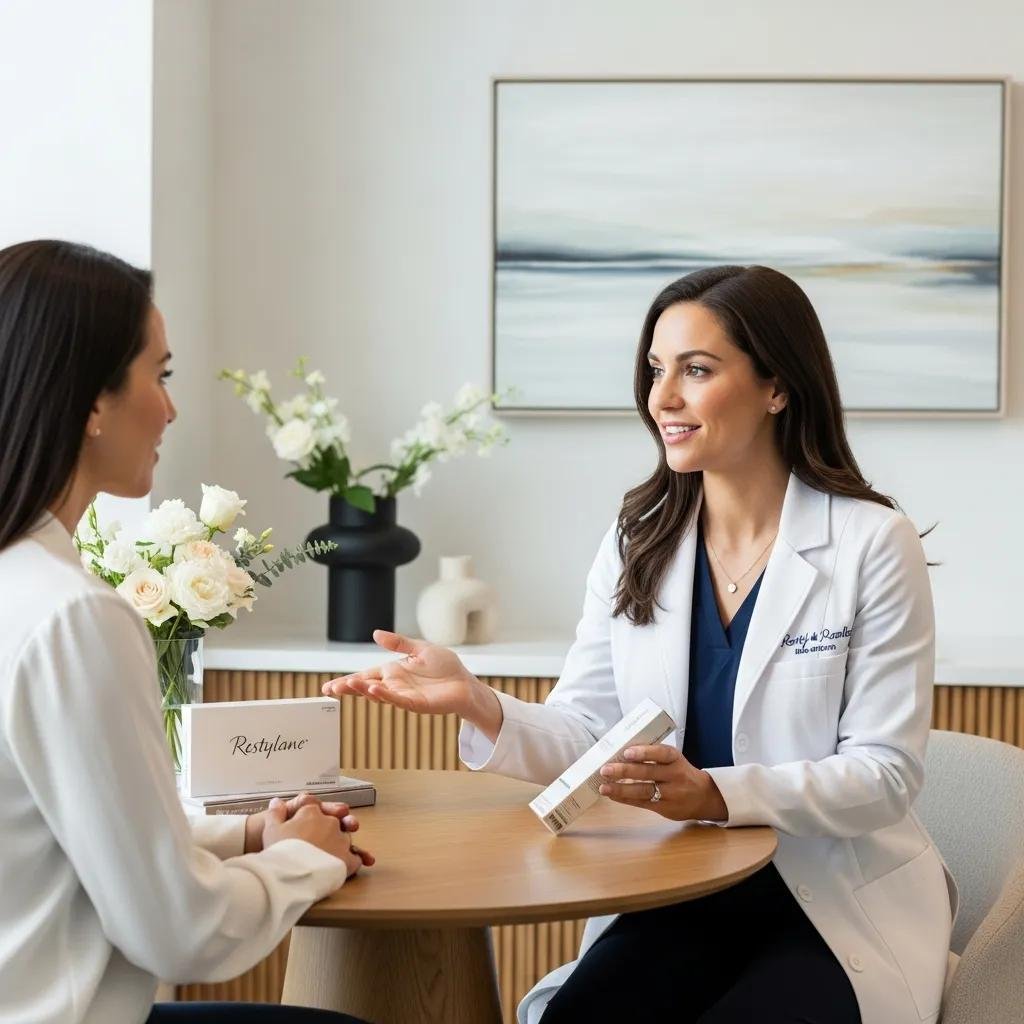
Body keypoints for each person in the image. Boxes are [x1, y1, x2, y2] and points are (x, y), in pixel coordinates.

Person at [323, 265, 958, 1024]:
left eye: (697, 370)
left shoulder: (869, 543)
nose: (663, 398)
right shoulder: (640, 540)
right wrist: (478, 703)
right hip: (680, 893)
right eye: (657, 370)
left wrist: (715, 793)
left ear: (777, 387)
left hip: (828, 906)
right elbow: (592, 738)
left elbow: (884, 775)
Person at [0, 240, 374, 1024]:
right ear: (92, 402)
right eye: (159, 376)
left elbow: (74, 843)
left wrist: (248, 838)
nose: (169, 408)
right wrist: (309, 858)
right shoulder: (73, 617)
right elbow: (180, 931)